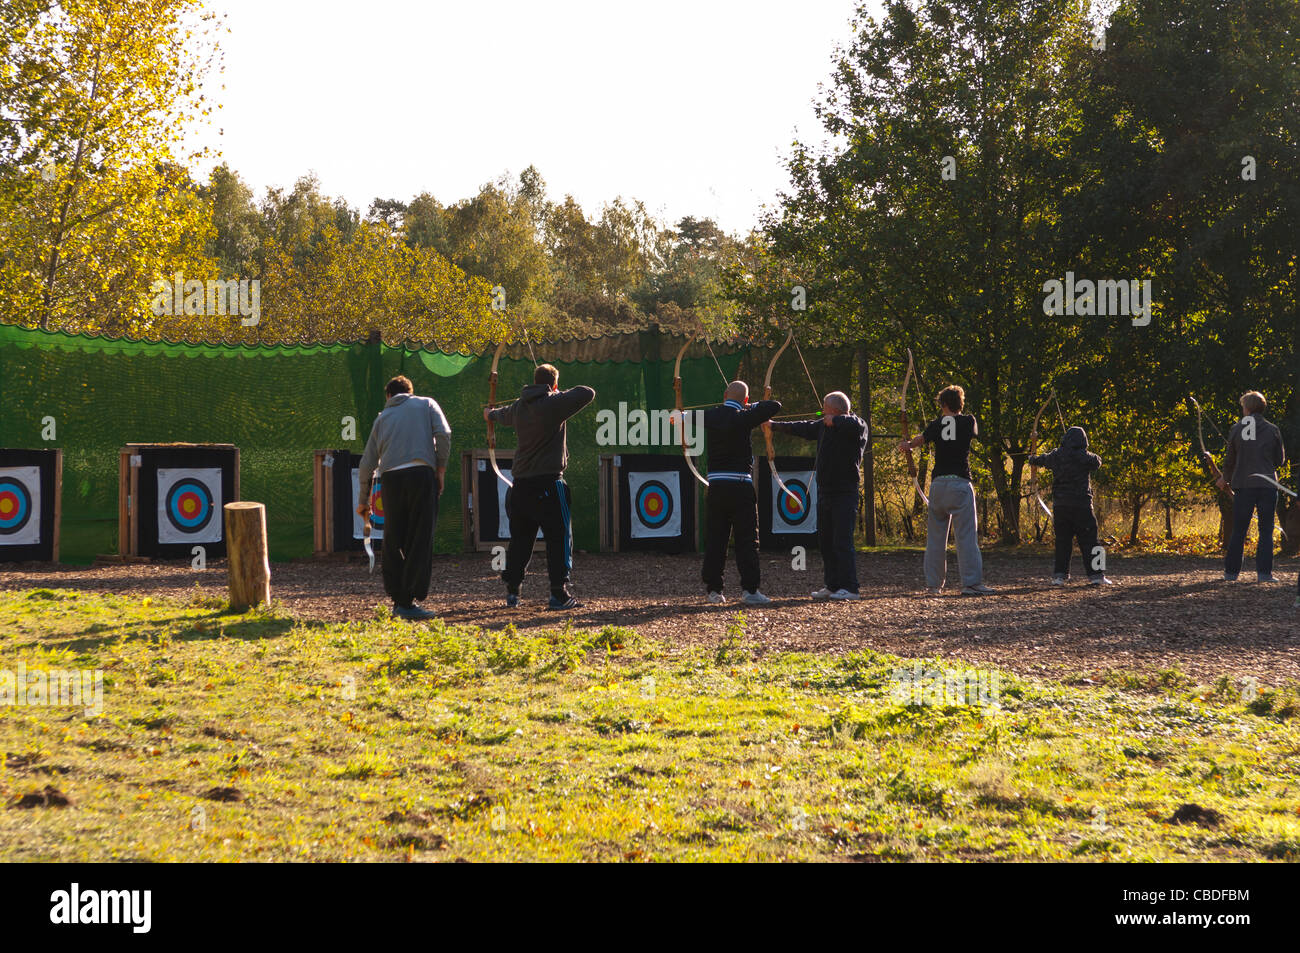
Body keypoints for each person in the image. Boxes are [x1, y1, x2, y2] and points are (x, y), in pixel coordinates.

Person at [484, 363, 595, 610]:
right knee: (559, 538)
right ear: (553, 384)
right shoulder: (554, 404)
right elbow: (587, 392)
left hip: (521, 486)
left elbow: (496, 414)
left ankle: (513, 592)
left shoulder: (518, 407)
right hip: (549, 484)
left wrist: (489, 414)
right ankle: (559, 594)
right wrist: (557, 394)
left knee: (521, 540)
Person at [356, 375, 451, 621]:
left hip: (390, 480)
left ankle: (399, 598)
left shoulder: (382, 418)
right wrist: (440, 470)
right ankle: (412, 596)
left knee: (393, 537)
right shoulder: (426, 404)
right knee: (420, 536)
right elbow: (444, 434)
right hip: (421, 474)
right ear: (410, 392)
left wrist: (363, 500)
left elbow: (367, 463)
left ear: (389, 396)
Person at [765, 390, 867, 600]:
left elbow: (855, 424)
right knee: (826, 541)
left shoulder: (856, 425)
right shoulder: (823, 426)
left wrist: (837, 420)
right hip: (825, 491)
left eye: (825, 407)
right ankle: (832, 585)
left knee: (842, 540)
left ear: (834, 409)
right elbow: (801, 427)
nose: (822, 411)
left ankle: (851, 587)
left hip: (845, 492)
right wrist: (772, 425)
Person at [896, 384, 994, 595]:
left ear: (943, 404)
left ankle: (933, 586)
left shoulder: (936, 424)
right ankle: (971, 584)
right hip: (959, 483)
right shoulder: (969, 421)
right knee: (966, 537)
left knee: (935, 539)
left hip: (938, 485)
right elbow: (972, 433)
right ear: (959, 403)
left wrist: (907, 445)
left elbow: (919, 441)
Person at [701, 381, 781, 605]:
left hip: (717, 487)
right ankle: (750, 591)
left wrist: (680, 413)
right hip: (741, 487)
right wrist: (751, 407)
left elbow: (678, 418)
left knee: (716, 538)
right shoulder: (746, 416)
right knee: (747, 540)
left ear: (724, 394)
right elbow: (775, 405)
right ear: (745, 400)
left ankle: (714, 591)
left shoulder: (712, 415)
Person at [1215, 390, 1287, 583]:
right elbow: (1280, 461)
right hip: (1267, 485)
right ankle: (1264, 574)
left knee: (1239, 530)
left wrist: (1225, 478)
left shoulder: (1237, 428)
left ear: (1247, 408)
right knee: (1266, 530)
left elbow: (1230, 459)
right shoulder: (1273, 429)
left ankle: (1231, 574)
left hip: (1244, 485)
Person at [1028, 426, 1111, 585]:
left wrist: (1032, 458)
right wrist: (1081, 452)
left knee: (1062, 541)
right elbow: (1097, 461)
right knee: (1091, 541)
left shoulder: (1056, 456)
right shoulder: (1086, 457)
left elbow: (1040, 459)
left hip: (1061, 507)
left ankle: (1060, 576)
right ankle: (1098, 576)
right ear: (1084, 442)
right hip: (1082, 507)